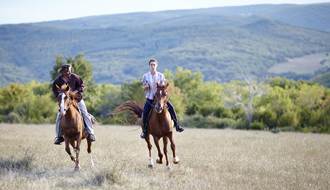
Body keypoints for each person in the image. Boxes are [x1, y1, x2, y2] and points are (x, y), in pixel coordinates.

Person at [52, 64, 96, 145]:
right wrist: (60, 96)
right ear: (63, 71)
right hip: (65, 102)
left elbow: (82, 85)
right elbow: (55, 90)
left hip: (77, 100)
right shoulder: (57, 81)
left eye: (70, 70)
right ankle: (59, 136)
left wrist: (75, 92)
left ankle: (90, 133)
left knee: (85, 114)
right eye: (68, 70)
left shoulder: (75, 77)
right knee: (58, 116)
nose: (69, 71)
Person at [140, 59, 184, 139]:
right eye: (151, 65)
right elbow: (143, 88)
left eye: (154, 65)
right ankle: (145, 131)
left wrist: (161, 89)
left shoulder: (160, 75)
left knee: (171, 107)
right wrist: (146, 86)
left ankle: (177, 125)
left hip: (160, 98)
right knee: (145, 113)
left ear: (156, 65)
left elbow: (164, 87)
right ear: (149, 66)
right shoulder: (145, 76)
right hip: (150, 98)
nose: (153, 66)